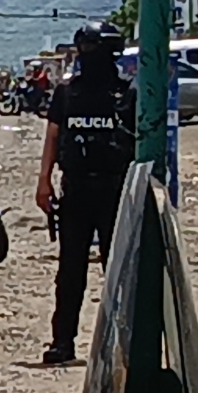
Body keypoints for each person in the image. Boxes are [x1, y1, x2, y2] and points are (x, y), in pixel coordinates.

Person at [35, 22, 135, 366]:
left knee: (118, 269)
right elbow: (53, 136)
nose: (87, 59)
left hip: (115, 190)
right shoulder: (67, 93)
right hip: (76, 189)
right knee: (70, 270)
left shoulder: (127, 94)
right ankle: (63, 341)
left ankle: (123, 340)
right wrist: (44, 180)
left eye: (93, 51)